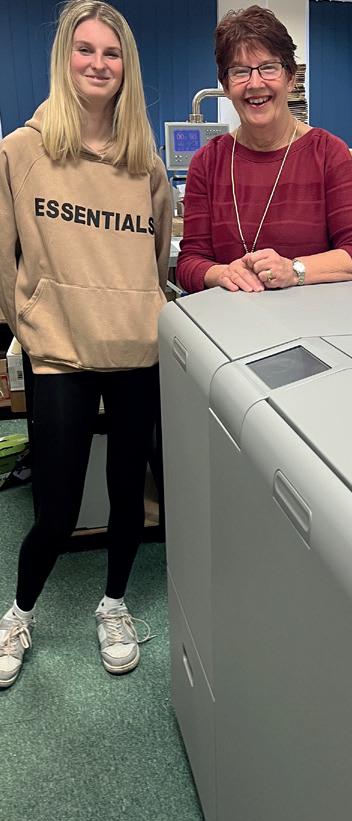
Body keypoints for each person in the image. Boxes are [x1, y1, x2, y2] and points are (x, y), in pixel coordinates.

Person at [0, 0, 172, 688]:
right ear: (64, 59)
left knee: (129, 495)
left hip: (135, 349)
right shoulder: (21, 151)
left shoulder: (144, 163)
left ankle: (114, 605)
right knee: (58, 508)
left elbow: (156, 257)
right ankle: (19, 612)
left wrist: (143, 308)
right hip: (60, 350)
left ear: (126, 66)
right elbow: (3, 257)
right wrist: (26, 323)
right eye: (86, 49)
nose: (99, 64)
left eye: (112, 52)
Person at [176, 5, 352, 294]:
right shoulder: (208, 162)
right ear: (226, 85)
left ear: (291, 77)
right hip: (232, 318)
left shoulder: (327, 153)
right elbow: (189, 262)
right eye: (240, 71)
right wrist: (223, 273)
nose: (255, 83)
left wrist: (295, 270)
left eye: (269, 68)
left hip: (313, 317)